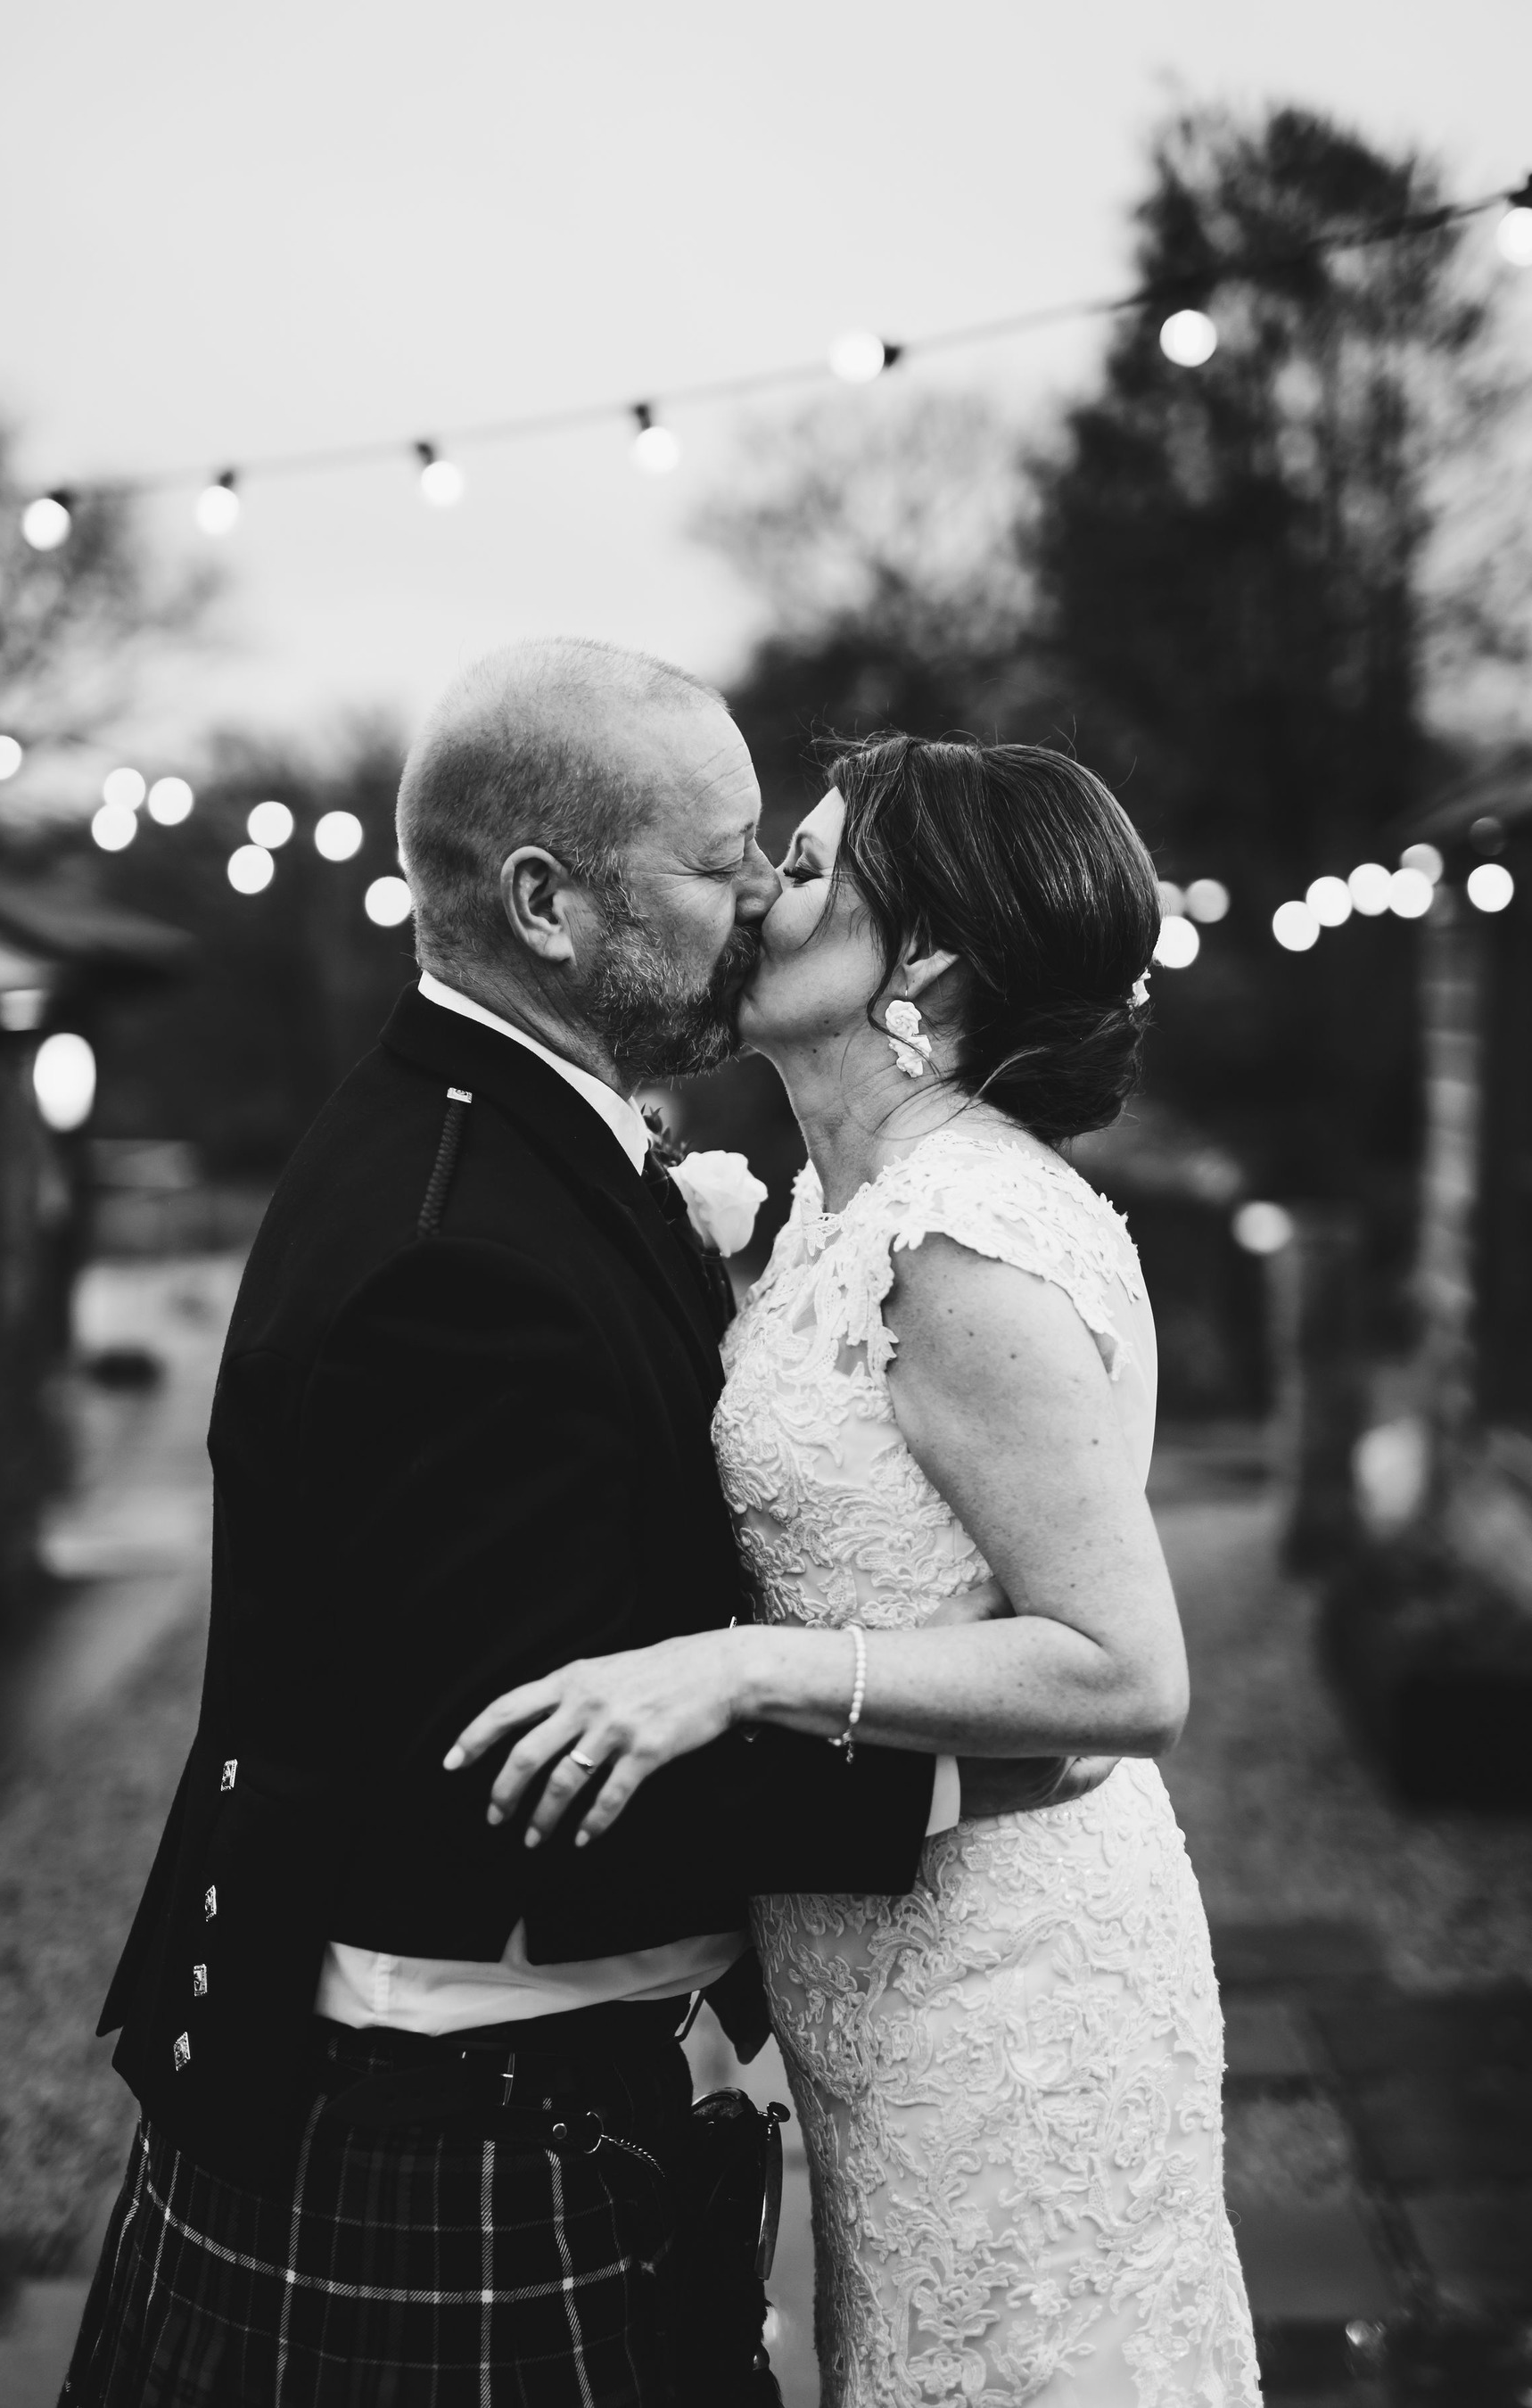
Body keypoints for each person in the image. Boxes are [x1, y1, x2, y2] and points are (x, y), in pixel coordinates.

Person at [61, 649, 1086, 2408]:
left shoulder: (507, 1140)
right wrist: (976, 1779)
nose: (765, 894)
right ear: (547, 903)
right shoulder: (463, 1250)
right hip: (442, 2138)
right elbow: (532, 1782)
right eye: (720, 858)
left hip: (501, 2103)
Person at [454, 737, 1263, 2405]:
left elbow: (1128, 1673)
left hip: (1012, 1987)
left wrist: (744, 1670)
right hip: (874, 1969)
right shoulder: (843, 1214)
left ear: (929, 964)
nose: (758, 892)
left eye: (807, 868)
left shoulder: (959, 1244)